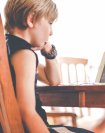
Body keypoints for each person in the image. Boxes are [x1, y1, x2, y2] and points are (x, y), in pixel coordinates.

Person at [4, 0, 93, 132]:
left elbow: (53, 80)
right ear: (31, 19)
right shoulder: (25, 55)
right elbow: (26, 111)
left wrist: (49, 53)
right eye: (50, 23)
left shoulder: (10, 48)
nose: (51, 32)